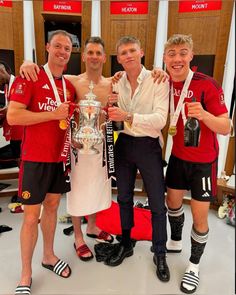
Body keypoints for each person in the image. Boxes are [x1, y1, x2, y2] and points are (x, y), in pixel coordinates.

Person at [20, 36, 169, 261]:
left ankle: (93, 226)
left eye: (99, 53)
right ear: (84, 56)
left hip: (103, 147)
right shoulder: (72, 81)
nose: (94, 57)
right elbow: (49, 73)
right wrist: (27, 63)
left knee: (99, 190)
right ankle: (78, 236)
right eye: (90, 52)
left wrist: (160, 70)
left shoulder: (114, 81)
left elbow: (135, 78)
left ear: (105, 56)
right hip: (78, 147)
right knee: (77, 191)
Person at [7, 30, 75, 295]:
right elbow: (13, 117)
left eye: (67, 48)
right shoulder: (29, 76)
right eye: (57, 46)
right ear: (47, 47)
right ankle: (25, 274)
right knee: (30, 217)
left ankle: (49, 255)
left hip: (59, 159)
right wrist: (51, 114)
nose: (62, 51)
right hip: (34, 159)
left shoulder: (68, 86)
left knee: (53, 207)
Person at [163, 34, 231, 294]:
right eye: (172, 53)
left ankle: (193, 265)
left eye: (182, 53)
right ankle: (176, 239)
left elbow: (227, 126)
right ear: (165, 58)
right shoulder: (163, 82)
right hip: (178, 158)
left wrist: (204, 115)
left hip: (203, 163)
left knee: (200, 216)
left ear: (191, 56)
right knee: (173, 203)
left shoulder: (207, 85)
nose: (177, 59)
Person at [106, 36, 170, 282]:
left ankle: (160, 252)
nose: (128, 55)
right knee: (123, 197)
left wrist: (128, 115)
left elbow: (160, 120)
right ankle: (125, 242)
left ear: (141, 52)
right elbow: (116, 119)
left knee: (156, 202)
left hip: (148, 145)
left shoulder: (157, 79)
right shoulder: (118, 80)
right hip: (123, 143)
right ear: (119, 58)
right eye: (123, 53)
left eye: (132, 50)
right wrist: (112, 109)